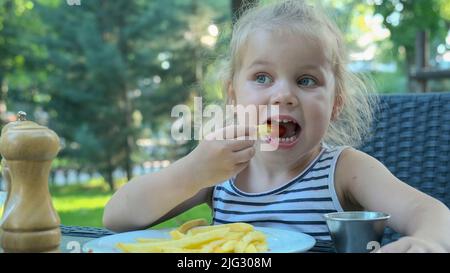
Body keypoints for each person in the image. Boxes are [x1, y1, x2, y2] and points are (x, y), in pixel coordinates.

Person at [103, 0, 450, 252]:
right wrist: (193, 171)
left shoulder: (344, 170)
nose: (283, 95)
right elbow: (117, 218)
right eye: (262, 77)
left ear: (336, 103)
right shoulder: (218, 172)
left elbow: (429, 211)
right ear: (234, 96)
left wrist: (426, 241)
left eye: (306, 80)